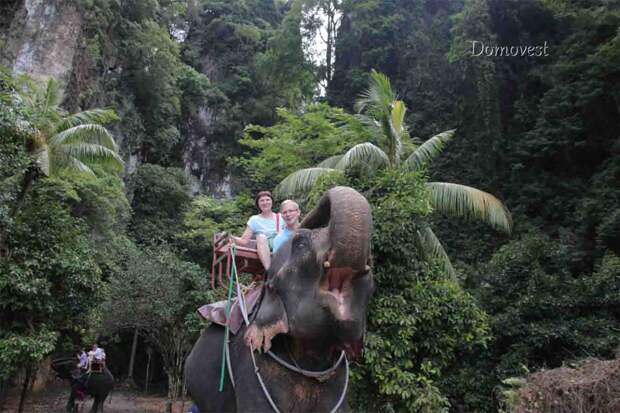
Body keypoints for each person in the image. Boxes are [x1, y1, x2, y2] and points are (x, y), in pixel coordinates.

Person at [234, 191, 284, 270]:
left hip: (280, 245)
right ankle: (270, 270)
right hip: (264, 245)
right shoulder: (254, 219)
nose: (265, 202)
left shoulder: (281, 217)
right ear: (258, 204)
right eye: (262, 200)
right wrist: (230, 238)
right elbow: (244, 241)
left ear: (272, 202)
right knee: (261, 237)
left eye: (267, 200)